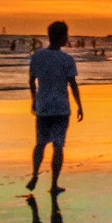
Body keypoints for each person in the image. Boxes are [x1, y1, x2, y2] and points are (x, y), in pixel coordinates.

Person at [27, 21, 83, 194]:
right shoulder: (66, 59)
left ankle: (35, 174)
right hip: (60, 108)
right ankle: (54, 184)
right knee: (58, 145)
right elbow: (72, 84)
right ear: (63, 38)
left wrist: (34, 100)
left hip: (43, 106)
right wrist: (80, 105)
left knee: (40, 143)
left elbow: (31, 80)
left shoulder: (38, 56)